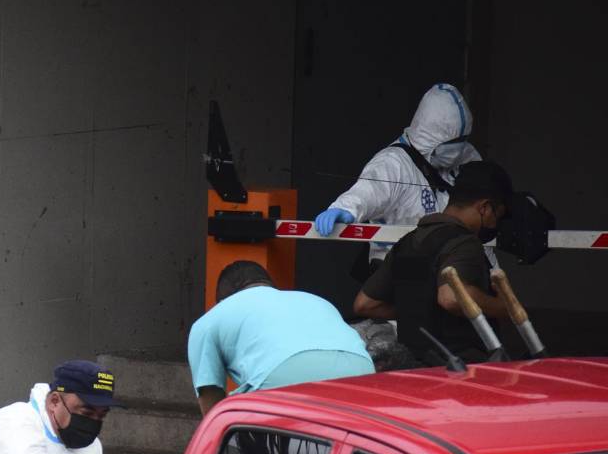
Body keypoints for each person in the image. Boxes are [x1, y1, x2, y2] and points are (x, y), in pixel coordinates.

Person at [353, 160, 512, 365]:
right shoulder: (464, 242)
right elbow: (451, 297)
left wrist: (417, 311)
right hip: (459, 370)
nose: (495, 224)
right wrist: (501, 306)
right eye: (497, 216)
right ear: (485, 208)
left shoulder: (409, 241)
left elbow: (365, 304)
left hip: (410, 368)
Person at [314, 84, 482, 265]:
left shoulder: (466, 158)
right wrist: (346, 208)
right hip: (396, 275)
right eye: (451, 143)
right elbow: (371, 189)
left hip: (445, 271)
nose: (457, 150)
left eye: (462, 141)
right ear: (430, 135)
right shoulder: (394, 163)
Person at [189, 261, 374, 415]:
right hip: (361, 369)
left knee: (235, 429)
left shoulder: (209, 320)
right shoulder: (313, 299)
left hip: (286, 372)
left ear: (222, 300)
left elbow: (210, 396)